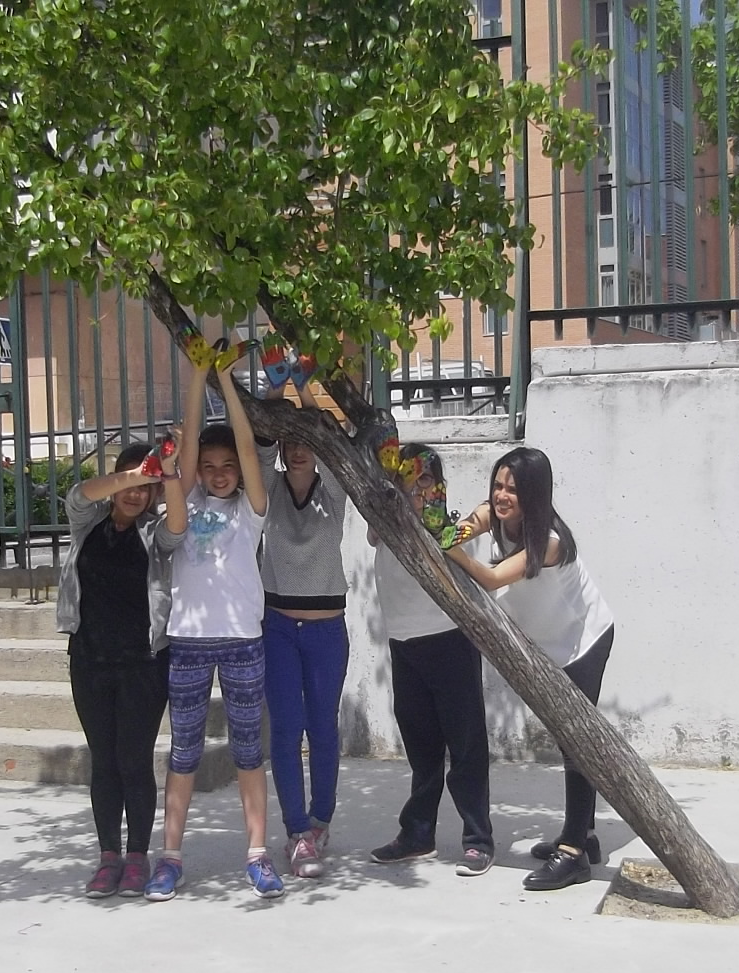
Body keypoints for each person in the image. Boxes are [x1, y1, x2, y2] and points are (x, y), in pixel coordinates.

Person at [447, 446, 616, 891]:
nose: (502, 496)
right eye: (498, 485)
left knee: (576, 744)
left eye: (514, 490)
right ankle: (585, 834)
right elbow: (475, 520)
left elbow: (492, 577)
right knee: (571, 740)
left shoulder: (552, 542)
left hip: (584, 641)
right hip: (551, 645)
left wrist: (450, 547)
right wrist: (458, 527)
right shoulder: (499, 512)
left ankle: (575, 854)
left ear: (536, 496)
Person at [145, 356, 281, 901]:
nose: (221, 471)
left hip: (243, 641)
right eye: (211, 465)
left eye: (229, 465)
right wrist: (197, 377)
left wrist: (227, 378)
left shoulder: (252, 510)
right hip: (189, 643)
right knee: (184, 753)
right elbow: (190, 443)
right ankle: (170, 857)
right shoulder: (184, 500)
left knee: (249, 751)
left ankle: (257, 853)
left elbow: (249, 449)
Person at [59, 440, 187, 899]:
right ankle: (107, 856)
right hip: (89, 660)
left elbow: (177, 527)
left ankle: (137, 857)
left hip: (143, 664)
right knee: (104, 762)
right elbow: (77, 494)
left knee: (133, 761)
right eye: (128, 482)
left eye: (145, 486)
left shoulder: (153, 534)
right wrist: (139, 471)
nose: (135, 494)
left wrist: (166, 475)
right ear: (116, 484)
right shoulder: (86, 523)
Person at [368, 444, 496, 877]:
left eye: (427, 479)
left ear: (440, 486)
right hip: (404, 644)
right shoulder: (387, 522)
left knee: (466, 748)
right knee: (422, 751)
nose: (418, 489)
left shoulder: (452, 528)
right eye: (410, 479)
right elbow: (372, 531)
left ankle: (477, 838)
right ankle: (417, 833)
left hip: (450, 643)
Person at [256, 375, 349, 880]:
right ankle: (296, 832)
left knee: (323, 729)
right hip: (278, 628)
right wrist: (275, 393)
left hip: (325, 630)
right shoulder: (268, 488)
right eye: (290, 443)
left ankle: (320, 820)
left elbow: (331, 444)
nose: (297, 451)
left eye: (304, 442)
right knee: (287, 730)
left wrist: (305, 389)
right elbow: (261, 439)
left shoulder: (331, 491)